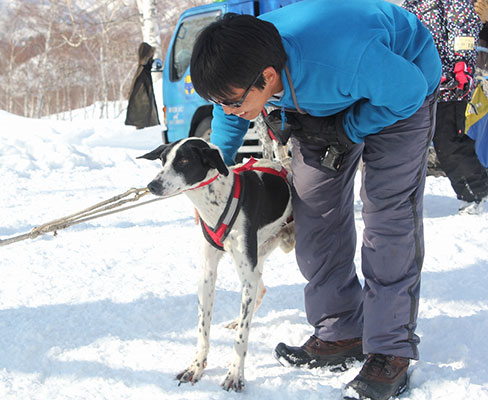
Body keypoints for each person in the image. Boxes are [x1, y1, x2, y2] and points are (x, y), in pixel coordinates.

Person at [189, 1, 442, 399]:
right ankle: (340, 330)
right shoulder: (246, 62)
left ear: (267, 77)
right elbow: (229, 121)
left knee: (386, 213)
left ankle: (389, 350)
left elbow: (408, 90)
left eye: (234, 101)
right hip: (324, 101)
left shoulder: (342, 56)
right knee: (313, 210)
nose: (229, 111)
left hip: (401, 86)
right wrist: (213, 173)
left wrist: (351, 126)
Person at [402, 0, 488, 214]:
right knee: (411, 142)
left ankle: (478, 194)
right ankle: (402, 196)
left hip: (450, 83)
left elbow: (464, 29)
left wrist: (461, 65)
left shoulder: (453, 1)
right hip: (423, 82)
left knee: (450, 141)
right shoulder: (413, 4)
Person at [125, 42, 160, 129]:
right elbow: (140, 98)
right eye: (150, 55)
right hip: (142, 122)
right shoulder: (142, 71)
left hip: (144, 122)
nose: (152, 57)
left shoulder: (145, 68)